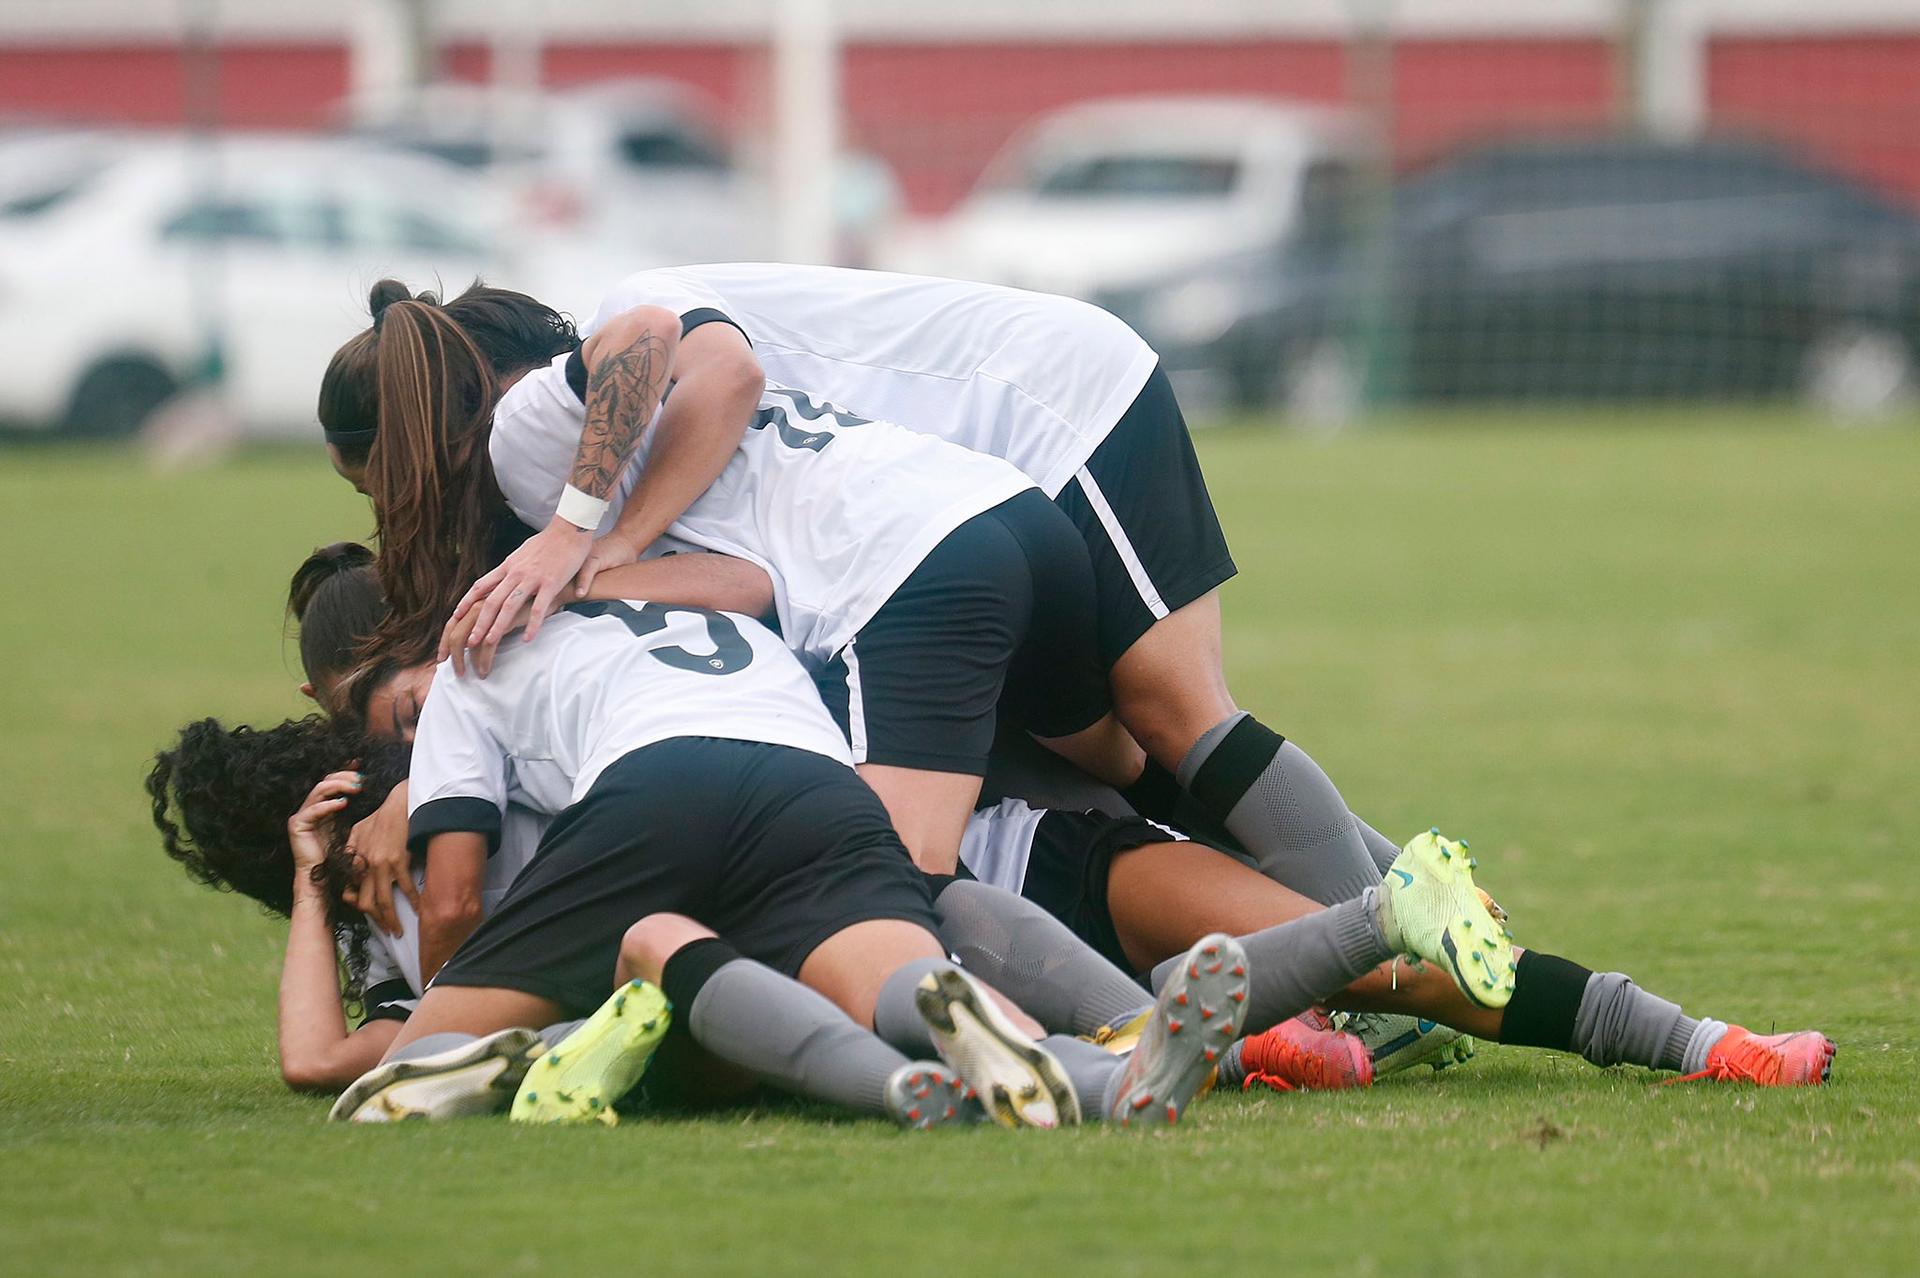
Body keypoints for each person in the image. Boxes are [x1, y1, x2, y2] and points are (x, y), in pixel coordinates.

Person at [320, 285, 1142, 875]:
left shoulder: (525, 434)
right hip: (997, 507)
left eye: (372, 488)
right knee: (1149, 752)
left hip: (925, 548)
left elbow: (655, 336)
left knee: (889, 879)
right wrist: (586, 575)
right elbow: (747, 582)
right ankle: (1247, 922)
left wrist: (584, 535)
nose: (384, 519)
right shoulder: (576, 474)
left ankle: (1080, 1056)